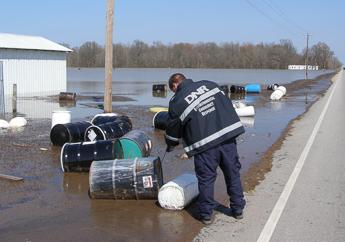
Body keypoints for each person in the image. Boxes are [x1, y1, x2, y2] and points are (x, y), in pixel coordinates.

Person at [164, 73, 246, 225]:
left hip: (205, 146)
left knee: (206, 179)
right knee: (232, 173)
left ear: (175, 86)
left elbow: (173, 129)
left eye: (173, 90)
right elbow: (226, 103)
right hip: (227, 137)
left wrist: (170, 143)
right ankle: (238, 209)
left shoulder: (177, 101)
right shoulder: (209, 84)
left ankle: (206, 215)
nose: (174, 92)